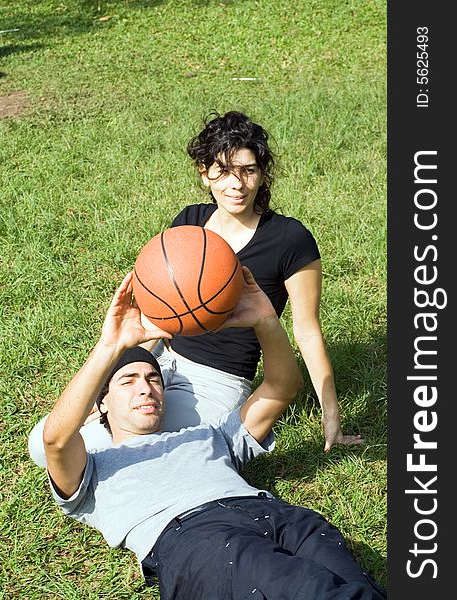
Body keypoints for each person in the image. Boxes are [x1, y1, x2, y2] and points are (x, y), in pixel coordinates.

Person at [28, 110, 361, 467]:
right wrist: (114, 382)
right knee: (41, 443)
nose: (237, 184)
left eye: (248, 170)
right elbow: (159, 314)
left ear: (262, 174)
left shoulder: (289, 239)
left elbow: (307, 332)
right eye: (223, 171)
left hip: (217, 380)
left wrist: (331, 414)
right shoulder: (189, 222)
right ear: (205, 175)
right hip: (158, 362)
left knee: (155, 457)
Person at [43, 269, 386, 599]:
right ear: (100, 403)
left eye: (153, 379)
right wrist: (109, 347)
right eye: (128, 381)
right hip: (197, 536)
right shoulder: (95, 469)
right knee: (314, 589)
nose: (145, 389)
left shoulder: (207, 435)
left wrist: (266, 320)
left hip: (282, 517)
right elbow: (55, 440)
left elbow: (282, 389)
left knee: (357, 588)